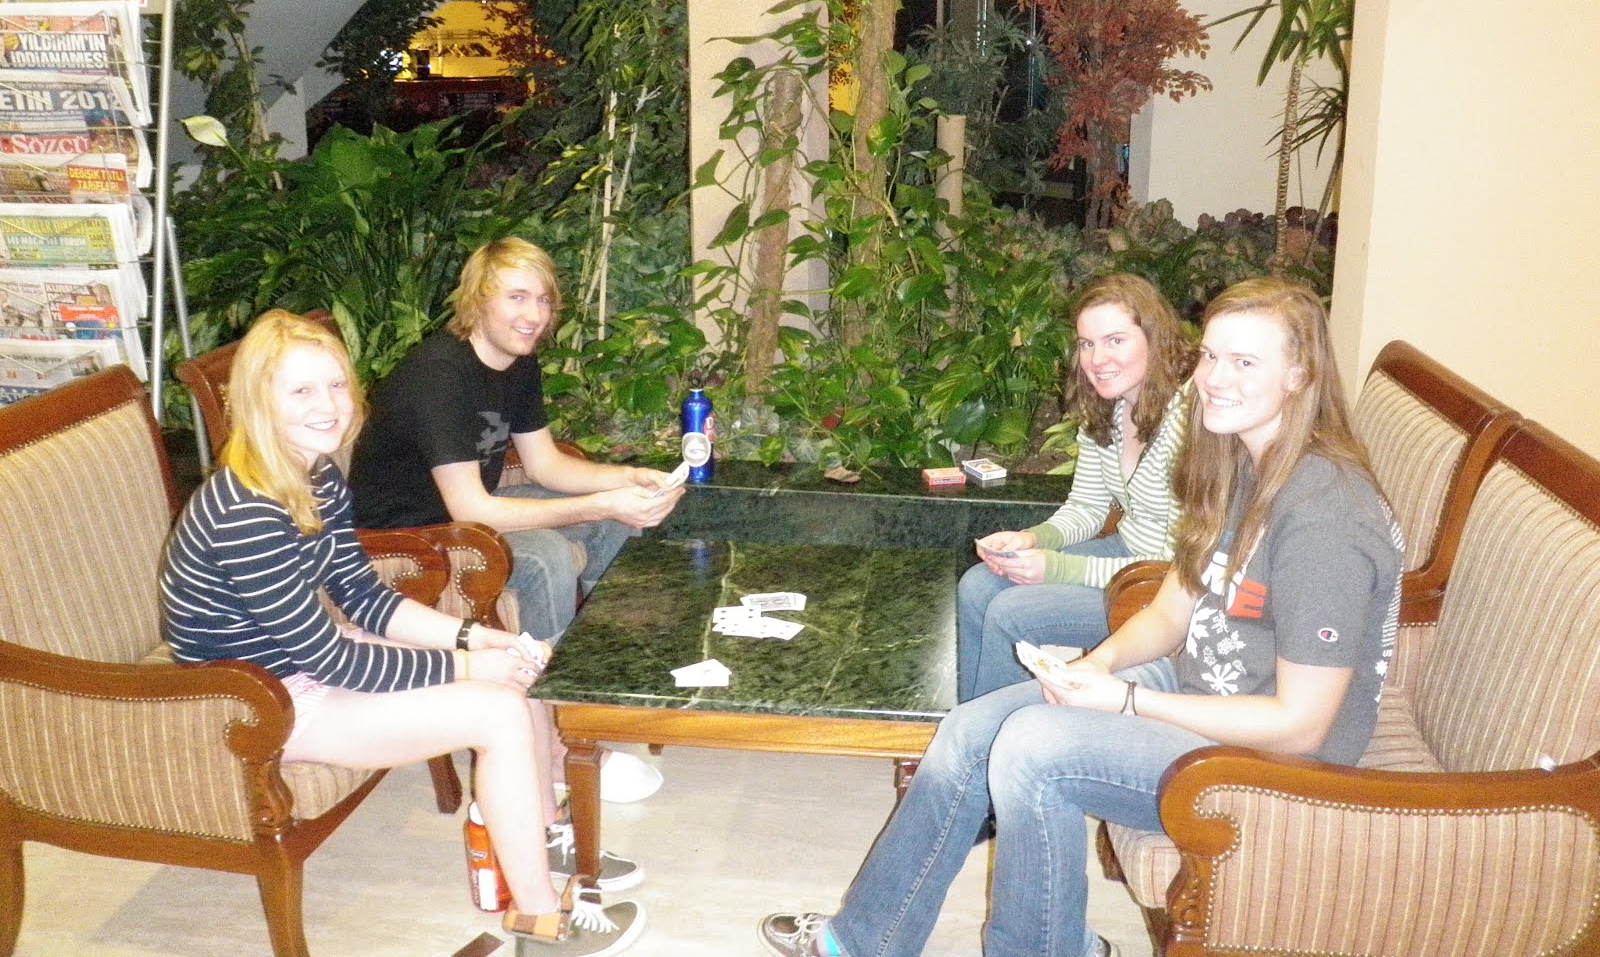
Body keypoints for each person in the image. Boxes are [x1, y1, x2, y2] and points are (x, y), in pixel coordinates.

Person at [758, 277, 1404, 957]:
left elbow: (1300, 725)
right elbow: (1172, 608)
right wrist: (1096, 666)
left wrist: (1125, 702)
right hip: (1201, 691)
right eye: (1212, 356)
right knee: (971, 728)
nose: (1215, 379)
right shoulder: (1241, 462)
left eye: (1245, 362)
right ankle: (862, 943)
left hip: (1271, 764)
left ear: (1300, 373)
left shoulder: (1325, 519)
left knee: (1032, 750)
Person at [161, 311, 646, 955]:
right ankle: (539, 922)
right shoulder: (246, 510)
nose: (328, 406)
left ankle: (539, 833)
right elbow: (330, 659)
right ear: (258, 401)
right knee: (497, 712)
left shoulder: (314, 474)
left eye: (336, 385)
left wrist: (474, 640)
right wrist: (466, 668)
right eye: (301, 391)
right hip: (249, 699)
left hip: (292, 665)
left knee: (518, 675)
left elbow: (362, 596)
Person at [347, 238, 683, 802]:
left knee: (618, 523)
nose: (534, 315)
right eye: (518, 297)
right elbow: (473, 511)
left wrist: (626, 479)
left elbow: (545, 465)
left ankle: (594, 699)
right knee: (546, 556)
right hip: (402, 540)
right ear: (478, 300)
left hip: (462, 516)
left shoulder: (517, 362)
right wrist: (602, 502)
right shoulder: (439, 374)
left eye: (544, 300)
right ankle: (550, 748)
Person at [960, 273, 1195, 701]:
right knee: (977, 587)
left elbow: (1177, 561)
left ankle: (1004, 732)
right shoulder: (1106, 407)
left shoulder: (1190, 423)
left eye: (1115, 340)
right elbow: (1087, 506)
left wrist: (1057, 568)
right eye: (1087, 344)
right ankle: (973, 723)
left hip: (1161, 586)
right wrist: (1033, 539)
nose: (1097, 358)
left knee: (1011, 613)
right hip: (1126, 553)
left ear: (1155, 339)